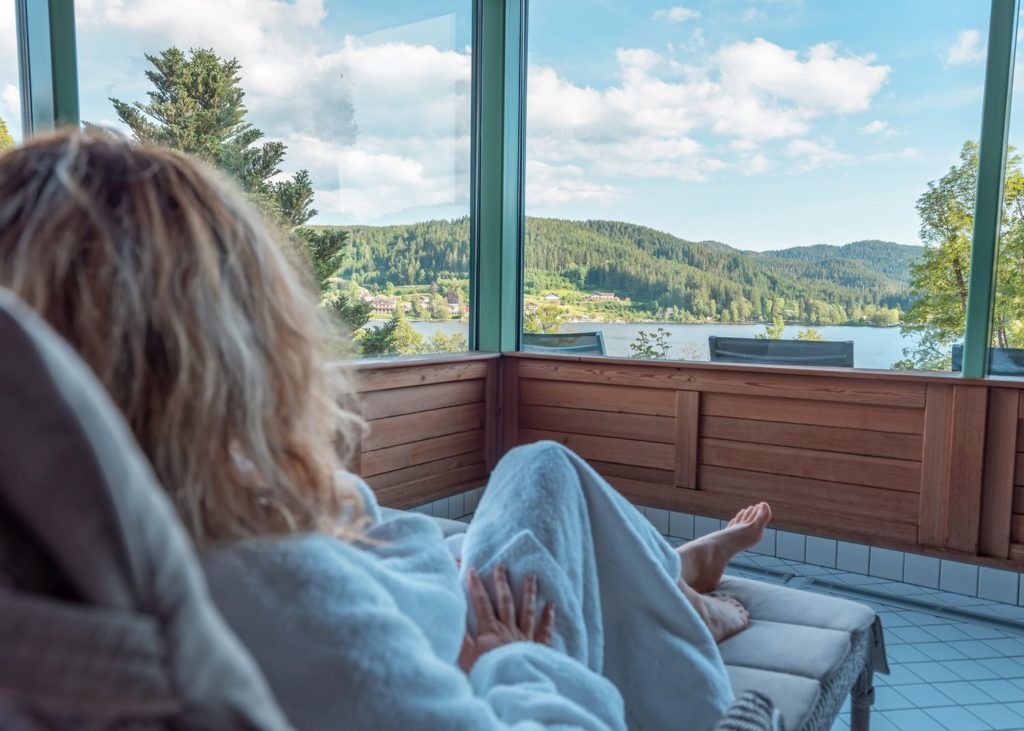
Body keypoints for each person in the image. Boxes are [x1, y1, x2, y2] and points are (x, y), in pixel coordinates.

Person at [0, 131, 772, 730]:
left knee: (540, 472)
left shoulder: (70, 564)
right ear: (226, 352)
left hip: (429, 602)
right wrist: (520, 658)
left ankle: (674, 570)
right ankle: (681, 591)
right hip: (492, 642)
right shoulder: (284, 604)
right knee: (541, 469)